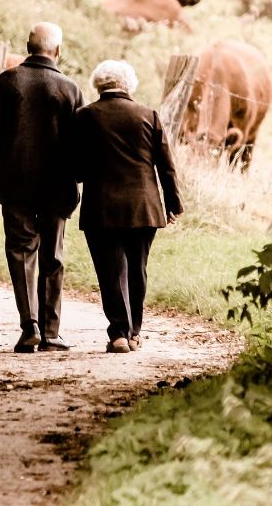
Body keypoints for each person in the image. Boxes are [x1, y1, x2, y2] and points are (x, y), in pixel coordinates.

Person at [0, 22, 84, 353]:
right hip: (58, 188)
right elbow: (81, 146)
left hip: (15, 186)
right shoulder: (69, 89)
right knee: (53, 256)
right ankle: (52, 333)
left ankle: (30, 327)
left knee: (21, 253)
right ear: (58, 51)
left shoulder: (6, 83)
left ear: (27, 46)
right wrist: (77, 182)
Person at [73, 60, 183, 353]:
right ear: (129, 84)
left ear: (98, 84)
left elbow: (76, 168)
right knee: (138, 269)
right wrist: (173, 204)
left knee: (110, 271)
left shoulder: (85, 116)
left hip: (101, 208)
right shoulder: (149, 115)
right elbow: (166, 167)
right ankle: (134, 332)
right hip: (144, 207)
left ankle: (118, 333)